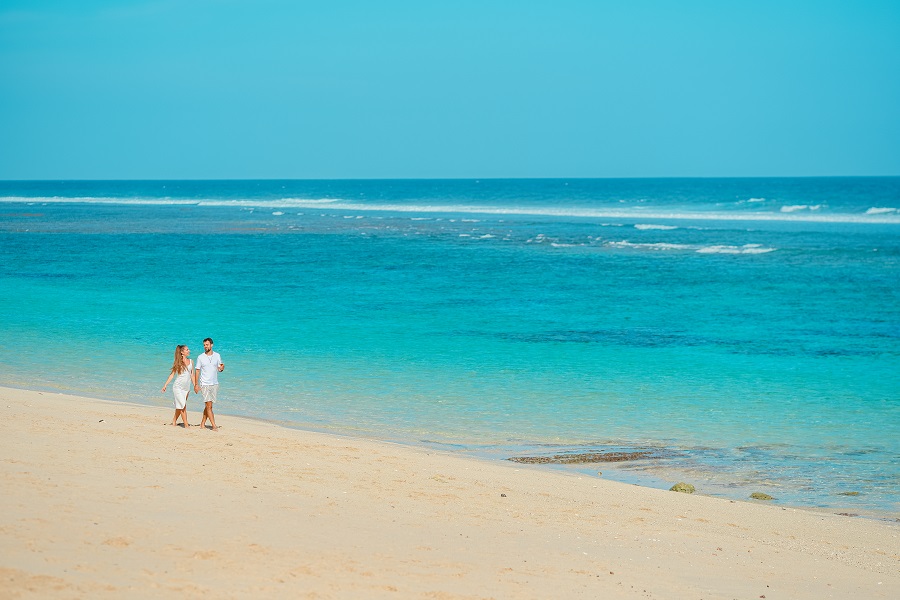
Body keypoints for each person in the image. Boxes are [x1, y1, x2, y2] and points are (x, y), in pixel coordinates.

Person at [194, 337, 224, 431]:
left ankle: (202, 423)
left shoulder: (217, 355)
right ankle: (214, 426)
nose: (205, 346)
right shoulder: (200, 357)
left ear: (211, 345)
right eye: (204, 345)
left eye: (207, 345)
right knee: (209, 405)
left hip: (214, 383)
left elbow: (220, 368)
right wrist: (196, 384)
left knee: (208, 405)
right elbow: (197, 371)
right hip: (205, 384)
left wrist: (222, 368)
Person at [161, 344, 193, 427]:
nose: (188, 351)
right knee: (183, 406)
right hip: (178, 387)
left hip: (186, 387)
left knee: (180, 405)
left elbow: (192, 375)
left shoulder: (191, 361)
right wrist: (165, 385)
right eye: (187, 349)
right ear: (182, 352)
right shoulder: (178, 363)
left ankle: (174, 421)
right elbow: (172, 375)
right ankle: (186, 425)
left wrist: (196, 385)